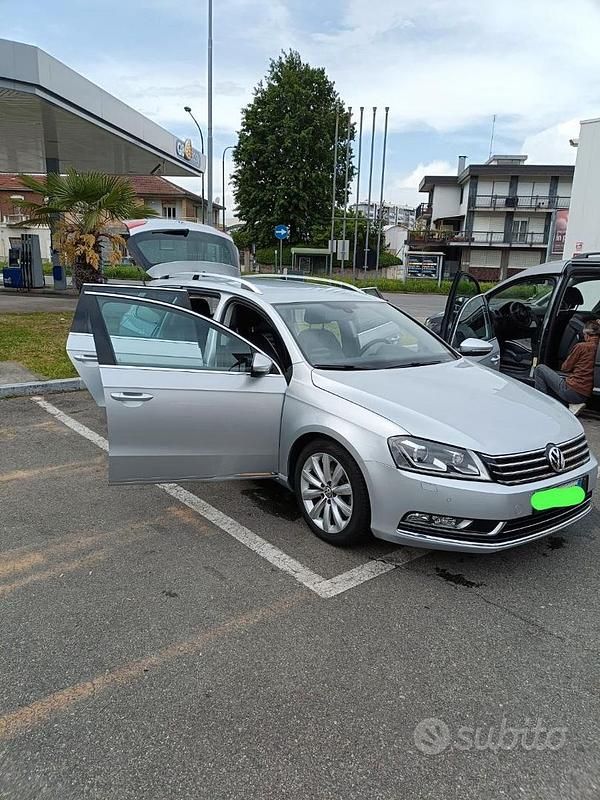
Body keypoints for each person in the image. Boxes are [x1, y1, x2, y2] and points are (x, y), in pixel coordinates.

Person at [534, 320, 600, 415]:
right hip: (585, 394)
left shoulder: (582, 346)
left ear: (586, 334)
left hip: (572, 391)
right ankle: (572, 404)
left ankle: (542, 405)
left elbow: (565, 368)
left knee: (540, 369)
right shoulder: (598, 347)